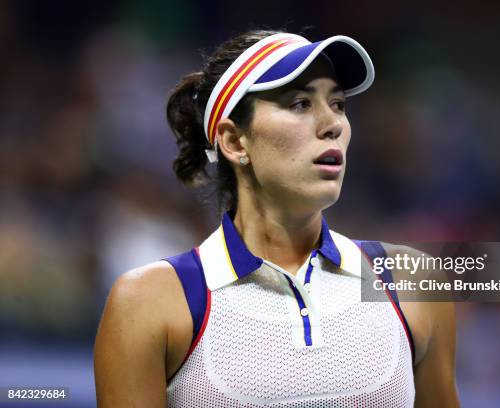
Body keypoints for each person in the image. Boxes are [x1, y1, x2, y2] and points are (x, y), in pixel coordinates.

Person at [94, 29, 459, 407]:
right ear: (235, 142)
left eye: (337, 104)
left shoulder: (415, 282)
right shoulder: (147, 302)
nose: (332, 123)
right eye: (300, 103)